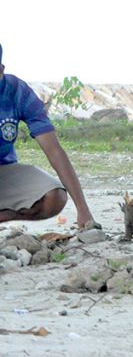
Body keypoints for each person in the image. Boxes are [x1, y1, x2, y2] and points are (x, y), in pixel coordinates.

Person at [0, 43, 95, 230]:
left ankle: (5, 216)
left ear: (1, 70)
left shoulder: (17, 91)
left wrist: (82, 208)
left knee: (55, 197)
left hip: (4, 169)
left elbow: (54, 150)